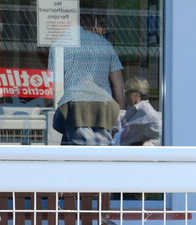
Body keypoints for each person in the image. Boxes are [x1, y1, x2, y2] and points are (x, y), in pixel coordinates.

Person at [50, 12, 125, 145]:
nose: (54, 26)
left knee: (75, 157)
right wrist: (121, 112)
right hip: (106, 107)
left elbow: (56, 86)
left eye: (56, 21)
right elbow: (118, 84)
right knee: (104, 155)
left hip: (75, 107)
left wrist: (53, 108)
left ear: (65, 22)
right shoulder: (104, 43)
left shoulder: (59, 46)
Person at [119, 76, 162, 146]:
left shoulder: (148, 113)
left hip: (132, 154)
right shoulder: (131, 108)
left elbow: (161, 137)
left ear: (137, 94)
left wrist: (143, 145)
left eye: (127, 92)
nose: (125, 95)